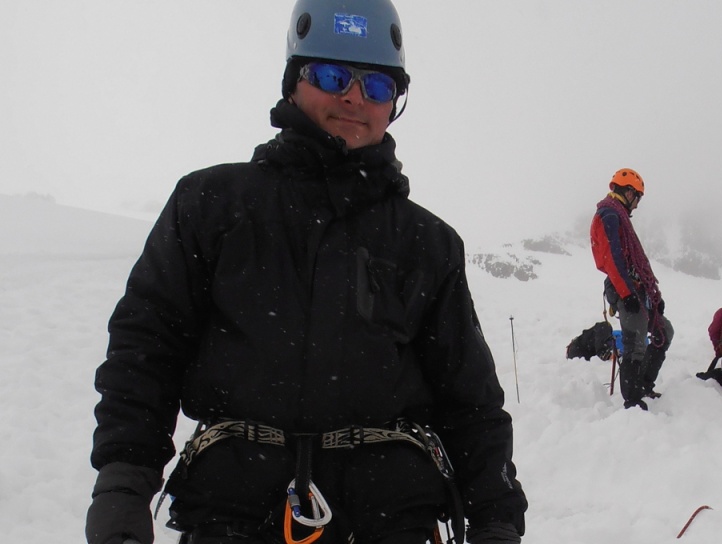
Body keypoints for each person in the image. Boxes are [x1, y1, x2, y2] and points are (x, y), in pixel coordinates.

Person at [84, 2, 527, 544]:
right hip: (234, 517)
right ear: (294, 81)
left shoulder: (427, 243)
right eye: (332, 75)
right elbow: (146, 348)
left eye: (378, 86)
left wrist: (496, 520)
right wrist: (123, 482)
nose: (354, 97)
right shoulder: (212, 205)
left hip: (391, 522)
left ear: (396, 103)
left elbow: (471, 401)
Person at [589, 168, 674, 410]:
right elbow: (612, 257)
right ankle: (633, 398)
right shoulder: (610, 215)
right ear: (628, 193)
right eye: (637, 198)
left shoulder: (616, 216)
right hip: (624, 288)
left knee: (663, 332)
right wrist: (626, 295)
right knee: (636, 340)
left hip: (633, 288)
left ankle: (643, 385)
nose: (637, 205)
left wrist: (653, 301)